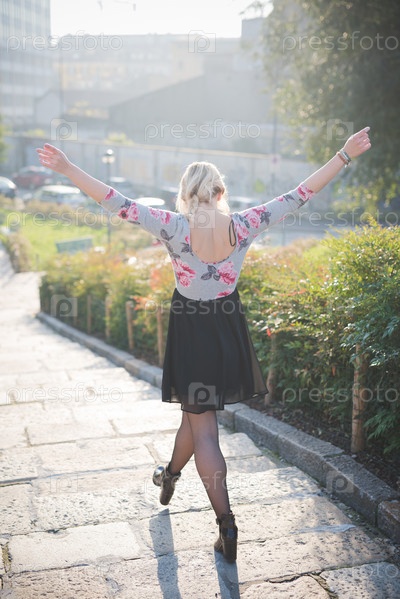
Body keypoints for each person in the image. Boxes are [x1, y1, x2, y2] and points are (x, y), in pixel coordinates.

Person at [37, 127, 371, 563]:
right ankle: (169, 475)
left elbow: (115, 200)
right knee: (196, 419)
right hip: (227, 331)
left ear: (184, 194)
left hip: (191, 332)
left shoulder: (173, 226)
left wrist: (67, 168)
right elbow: (299, 194)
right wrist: (343, 154)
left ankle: (226, 523)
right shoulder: (244, 224)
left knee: (205, 429)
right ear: (220, 192)